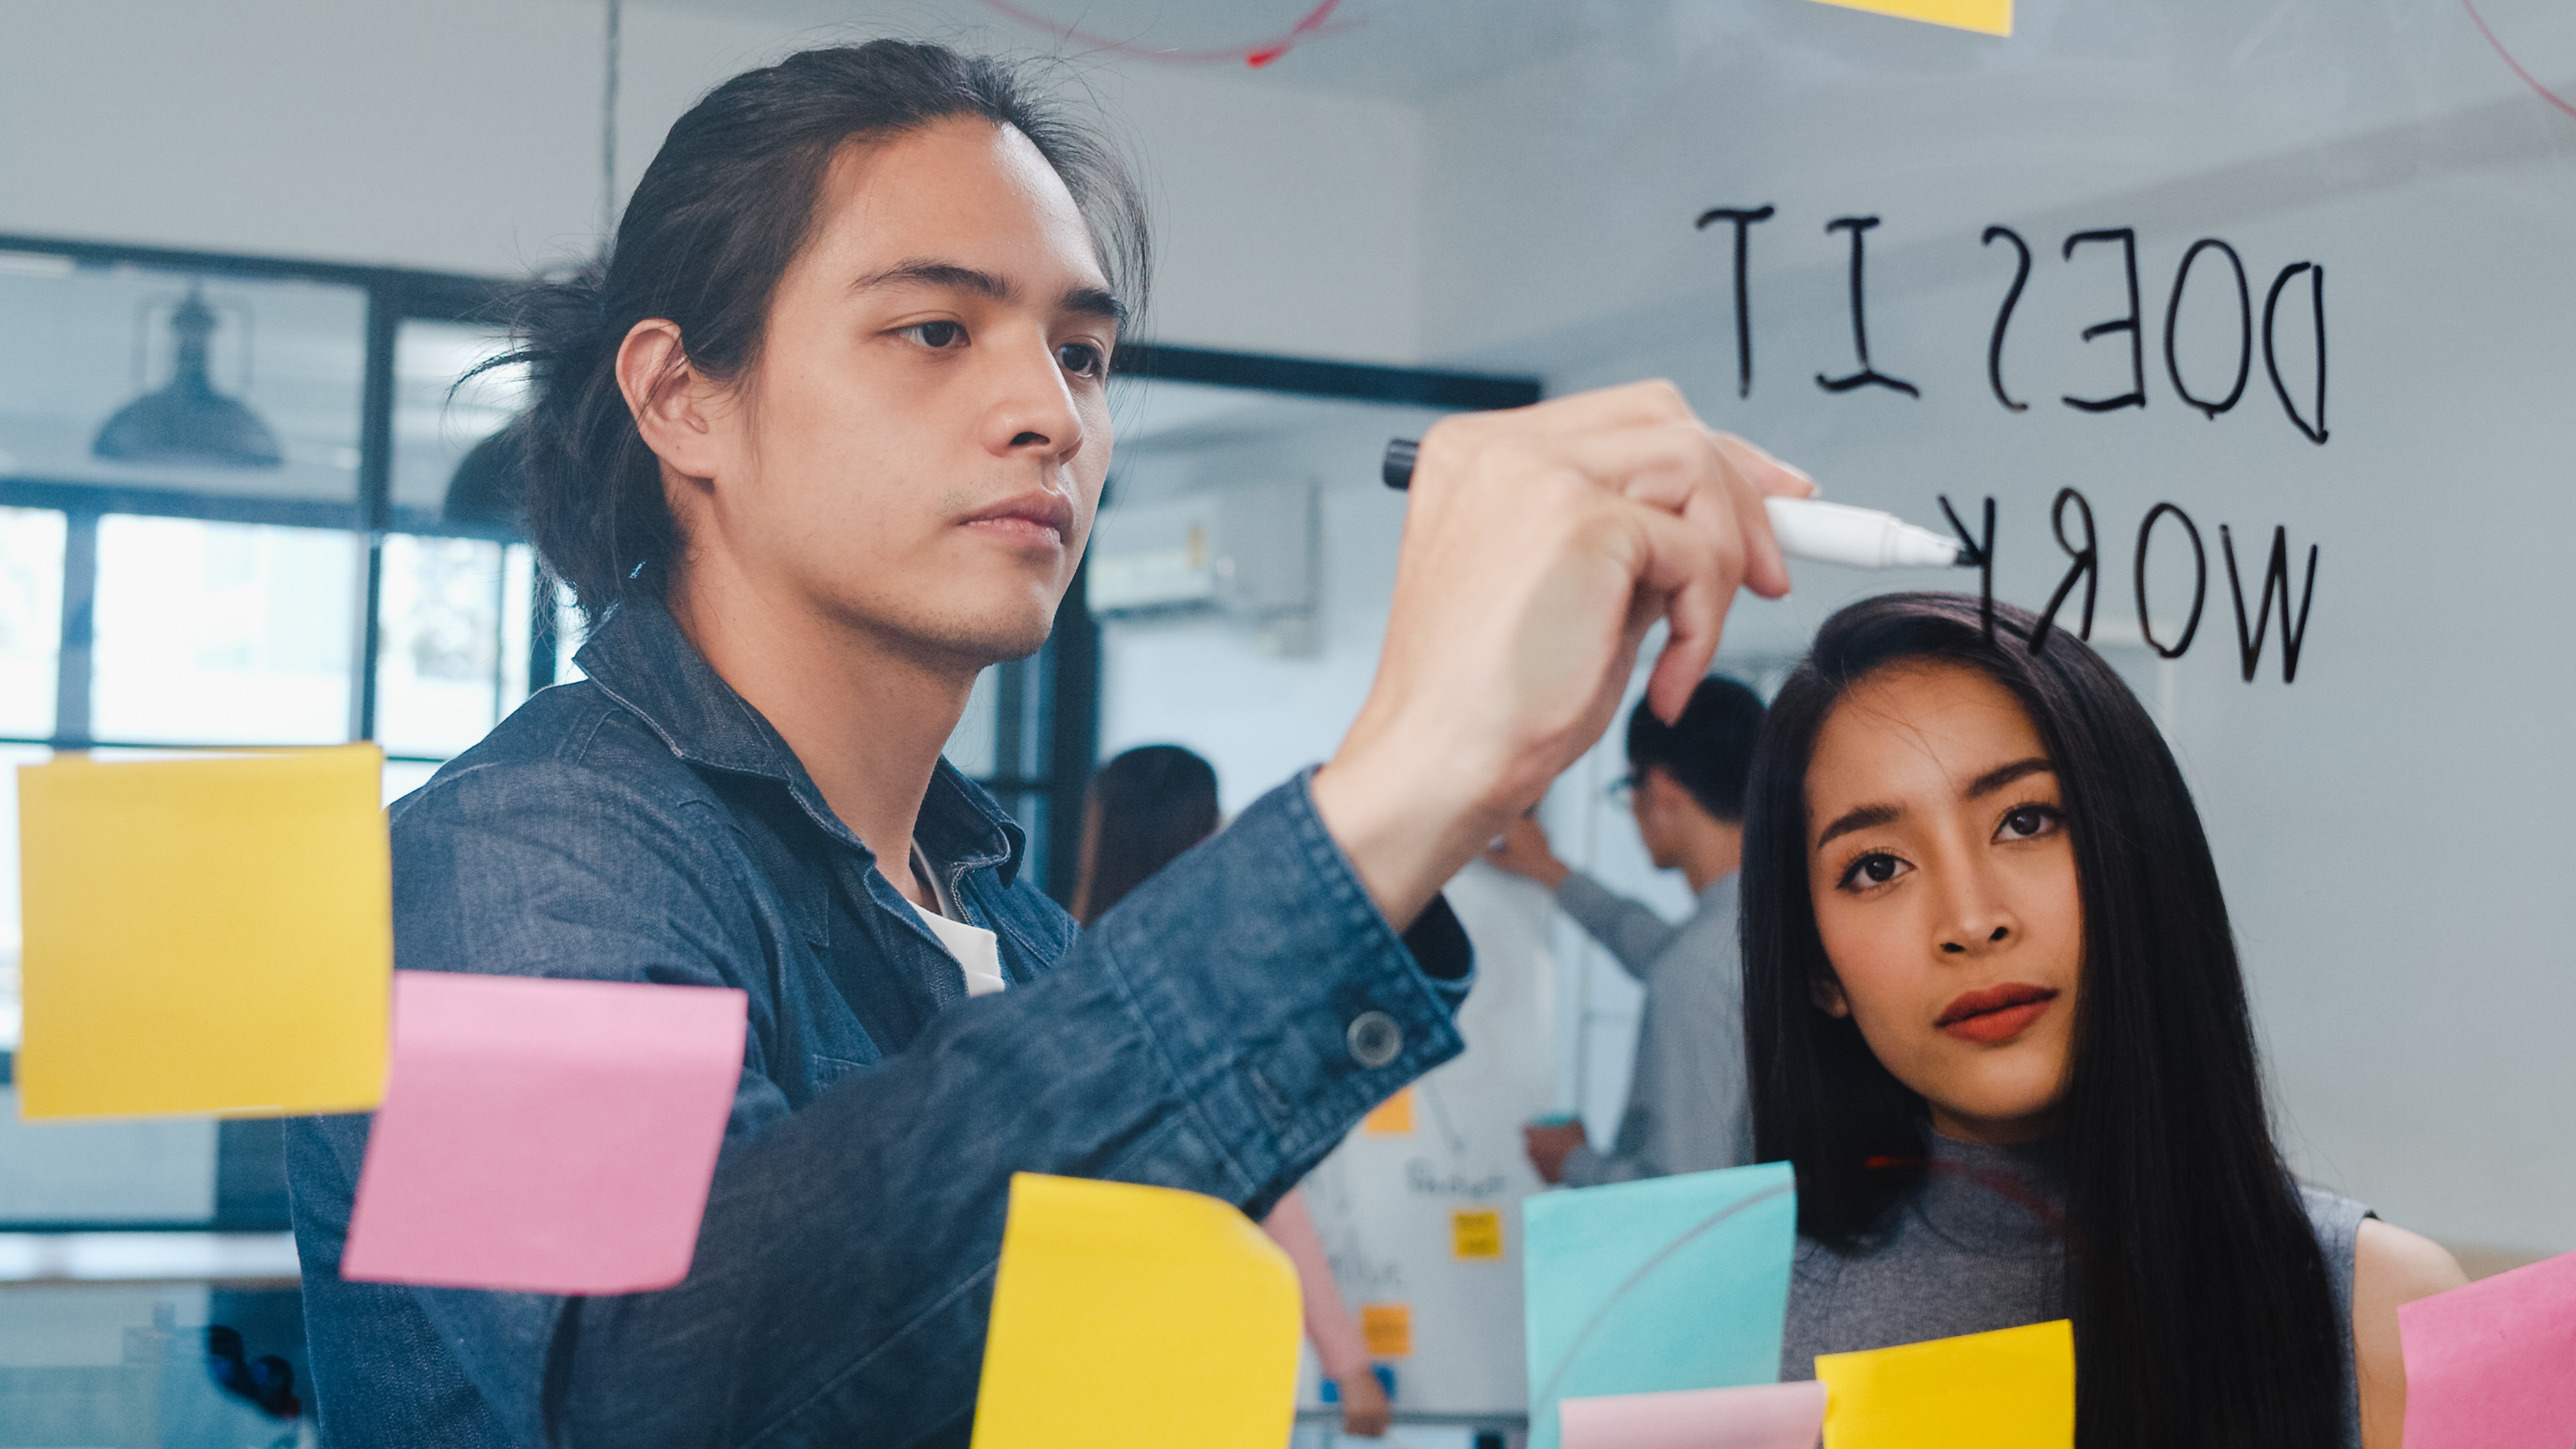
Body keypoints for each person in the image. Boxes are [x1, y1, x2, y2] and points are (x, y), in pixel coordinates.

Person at [279, 40, 1810, 1447]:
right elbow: (655, 1389)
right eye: (935, 330)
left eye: (1079, 353)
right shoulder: (502, 871)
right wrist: (1400, 782)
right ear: (685, 398)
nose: (1049, 413)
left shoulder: (1002, 917)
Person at [1738, 592, 2463, 1449]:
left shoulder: (2383, 1311)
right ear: (1819, 968)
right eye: (1878, 866)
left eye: (2025, 820)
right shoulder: (1730, 1343)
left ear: (2136, 859)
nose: (1972, 920)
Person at [1070, 744, 1392, 1438]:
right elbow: (1269, 1184)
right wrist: (1347, 1361)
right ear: (1196, 833)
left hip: (1080, 1317)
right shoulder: (1200, 983)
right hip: (1197, 1317)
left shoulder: (1061, 964)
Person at [1490, 677, 1765, 1186]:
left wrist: (1572, 1160)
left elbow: (1683, 1199)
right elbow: (1658, 948)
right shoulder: (1763, 927)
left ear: (1658, 791)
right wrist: (1551, 871)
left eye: (1628, 789)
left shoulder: (1696, 969)